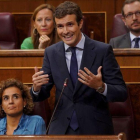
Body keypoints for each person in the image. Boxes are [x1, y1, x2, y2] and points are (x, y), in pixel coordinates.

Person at [30, 1, 127, 135]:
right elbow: (41, 94)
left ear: (80, 23)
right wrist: (36, 88)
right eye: (60, 26)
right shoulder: (51, 52)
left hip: (95, 127)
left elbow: (121, 93)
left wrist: (101, 86)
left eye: (70, 24)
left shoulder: (102, 50)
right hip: (61, 128)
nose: (65, 31)